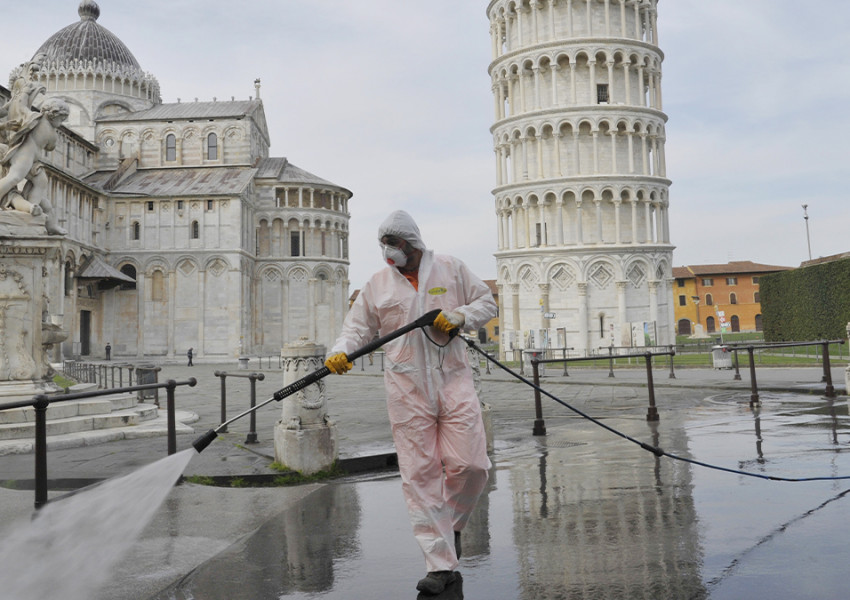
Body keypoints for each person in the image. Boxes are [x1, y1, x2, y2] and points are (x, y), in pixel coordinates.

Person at [325, 210, 496, 595]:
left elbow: (488, 303)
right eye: (384, 245)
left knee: (472, 465)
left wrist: (460, 315)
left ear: (412, 243)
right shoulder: (377, 284)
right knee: (419, 475)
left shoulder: (451, 269)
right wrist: (341, 352)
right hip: (406, 387)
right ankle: (440, 565)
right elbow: (357, 329)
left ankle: (449, 526)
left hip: (453, 379)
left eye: (394, 244)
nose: (389, 252)